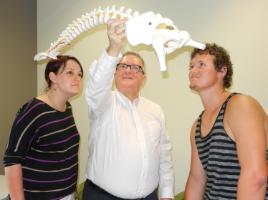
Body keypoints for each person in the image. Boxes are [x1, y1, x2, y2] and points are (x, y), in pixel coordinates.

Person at [82, 19, 174, 200]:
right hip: (102, 196)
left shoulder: (155, 110)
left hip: (149, 196)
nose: (128, 70)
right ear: (114, 73)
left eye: (136, 67)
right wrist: (114, 48)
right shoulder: (103, 104)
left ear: (144, 78)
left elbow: (164, 155)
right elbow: (96, 87)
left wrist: (167, 193)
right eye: (122, 66)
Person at [184, 43, 268, 199]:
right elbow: (196, 180)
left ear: (222, 70)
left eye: (201, 64)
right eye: (191, 66)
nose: (193, 71)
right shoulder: (197, 125)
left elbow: (256, 176)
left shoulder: (241, 106)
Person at [3, 55, 83, 200]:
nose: (77, 78)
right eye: (70, 72)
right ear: (53, 77)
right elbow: (12, 160)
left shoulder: (67, 108)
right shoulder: (34, 110)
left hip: (67, 195)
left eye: (80, 74)